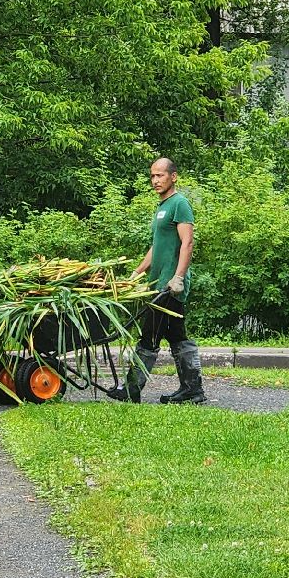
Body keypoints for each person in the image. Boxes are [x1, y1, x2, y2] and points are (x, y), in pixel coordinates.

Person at [113, 157, 203, 405]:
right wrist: (137, 273)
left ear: (173, 177)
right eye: (152, 176)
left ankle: (132, 390)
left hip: (170, 286)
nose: (155, 180)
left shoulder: (179, 204)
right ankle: (192, 390)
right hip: (158, 282)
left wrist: (178, 278)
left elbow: (188, 242)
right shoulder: (161, 207)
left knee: (149, 335)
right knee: (177, 337)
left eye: (160, 175)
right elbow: (157, 246)